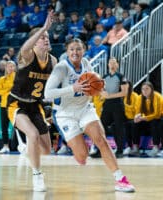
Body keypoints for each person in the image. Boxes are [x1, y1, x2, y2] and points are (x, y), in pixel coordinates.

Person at [44, 38, 135, 193]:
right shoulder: (61, 68)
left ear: (84, 50)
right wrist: (73, 88)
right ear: (67, 51)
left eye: (78, 49)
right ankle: (79, 148)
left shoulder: (86, 63)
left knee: (102, 140)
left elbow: (92, 85)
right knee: (82, 157)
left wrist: (99, 85)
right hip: (65, 114)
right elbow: (48, 93)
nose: (75, 52)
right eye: (72, 49)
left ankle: (120, 179)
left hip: (85, 108)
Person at [7, 11, 56, 192]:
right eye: (42, 37)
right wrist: (43, 27)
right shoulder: (27, 56)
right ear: (34, 41)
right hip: (17, 104)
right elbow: (24, 49)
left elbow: (51, 87)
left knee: (46, 150)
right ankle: (37, 175)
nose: (46, 39)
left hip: (36, 105)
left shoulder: (53, 60)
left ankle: (28, 149)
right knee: (33, 134)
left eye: (47, 37)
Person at [99, 58, 128, 158]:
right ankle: (100, 150)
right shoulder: (104, 77)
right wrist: (102, 93)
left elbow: (124, 92)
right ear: (108, 64)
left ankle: (120, 150)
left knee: (118, 127)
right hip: (107, 105)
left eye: (114, 62)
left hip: (117, 104)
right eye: (110, 62)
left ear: (117, 65)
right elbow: (101, 90)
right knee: (101, 126)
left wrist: (109, 96)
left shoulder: (121, 76)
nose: (112, 64)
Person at [133, 81, 163, 157]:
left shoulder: (157, 96)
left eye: (147, 89)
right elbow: (138, 111)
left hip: (158, 118)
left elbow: (157, 114)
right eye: (143, 89)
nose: (145, 91)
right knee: (134, 124)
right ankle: (135, 147)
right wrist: (137, 117)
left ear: (151, 89)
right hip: (146, 119)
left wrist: (144, 118)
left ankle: (156, 147)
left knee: (154, 122)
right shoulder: (140, 98)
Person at [0, 61, 16, 154]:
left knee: (19, 126)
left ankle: (23, 145)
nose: (10, 68)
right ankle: (5, 146)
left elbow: (15, 88)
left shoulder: (17, 77)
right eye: (8, 66)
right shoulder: (2, 79)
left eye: (12, 66)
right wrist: (8, 89)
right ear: (6, 68)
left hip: (14, 105)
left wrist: (6, 89)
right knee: (4, 127)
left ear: (15, 68)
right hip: (3, 105)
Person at [122, 81, 139, 156]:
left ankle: (135, 147)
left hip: (134, 117)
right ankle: (126, 146)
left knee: (132, 124)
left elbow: (135, 108)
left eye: (127, 86)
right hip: (125, 117)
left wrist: (124, 106)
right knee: (117, 124)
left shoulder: (135, 95)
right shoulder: (121, 96)